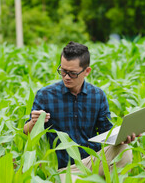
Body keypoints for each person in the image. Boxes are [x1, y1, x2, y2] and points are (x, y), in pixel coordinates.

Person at [24, 41, 135, 182]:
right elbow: (26, 132)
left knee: (124, 150)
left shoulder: (97, 95)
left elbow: (106, 133)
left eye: (72, 73)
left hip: (93, 160)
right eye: (63, 71)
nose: (66, 77)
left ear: (86, 71)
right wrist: (34, 122)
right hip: (65, 168)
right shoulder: (45, 95)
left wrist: (123, 137)